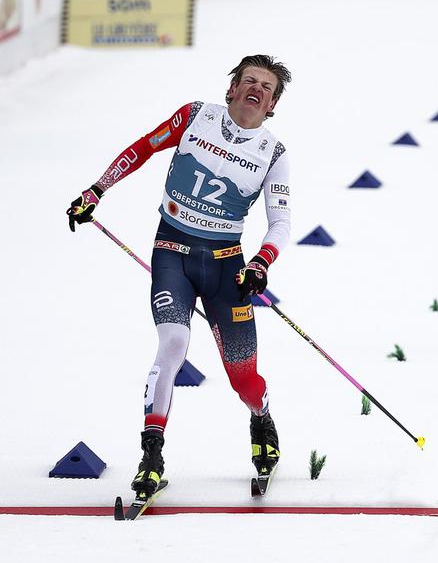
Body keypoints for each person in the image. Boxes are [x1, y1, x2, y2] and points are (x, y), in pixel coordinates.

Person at [66, 55, 292, 496]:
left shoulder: (273, 154)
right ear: (231, 89)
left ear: (272, 106)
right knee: (173, 342)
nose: (256, 89)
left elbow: (280, 223)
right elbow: (143, 147)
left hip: (228, 266)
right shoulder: (194, 117)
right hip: (172, 250)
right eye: (249, 80)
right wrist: (97, 189)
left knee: (244, 381)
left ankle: (260, 417)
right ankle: (152, 454)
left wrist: (260, 262)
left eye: (266, 87)